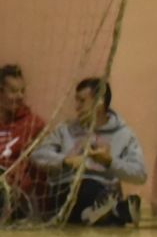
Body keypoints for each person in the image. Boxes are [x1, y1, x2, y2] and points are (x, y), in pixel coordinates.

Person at [32, 78, 145, 226]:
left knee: (96, 189)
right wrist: (65, 160)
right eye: (76, 100)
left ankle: (101, 212)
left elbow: (140, 174)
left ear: (99, 103)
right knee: (84, 185)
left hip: (104, 189)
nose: (76, 107)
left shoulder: (124, 134)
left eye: (82, 101)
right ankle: (117, 210)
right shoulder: (65, 129)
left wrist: (109, 161)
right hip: (67, 191)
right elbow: (37, 155)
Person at [0, 64, 47, 221]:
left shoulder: (34, 124)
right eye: (13, 91)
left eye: (22, 91)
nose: (20, 96)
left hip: (16, 194)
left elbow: (42, 166)